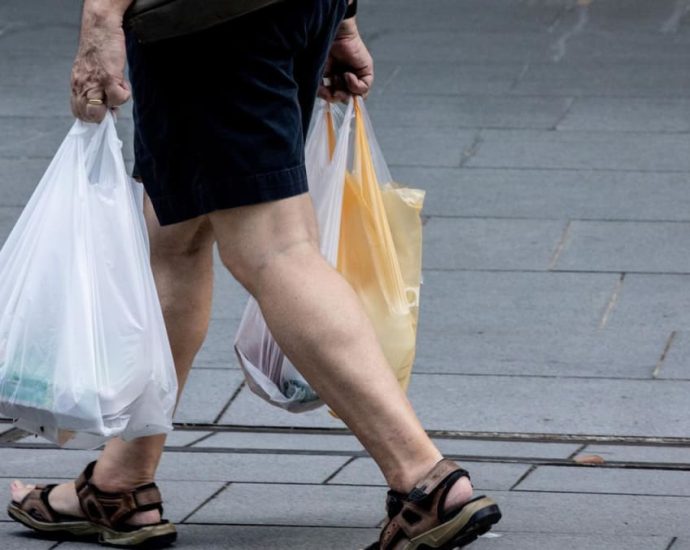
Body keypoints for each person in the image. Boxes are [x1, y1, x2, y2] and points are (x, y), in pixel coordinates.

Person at [7, 0, 502, 548]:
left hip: (211, 22)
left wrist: (101, 13)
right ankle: (120, 484)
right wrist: (342, 16)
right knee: (177, 228)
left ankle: (423, 480)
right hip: (284, 10)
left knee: (275, 248)